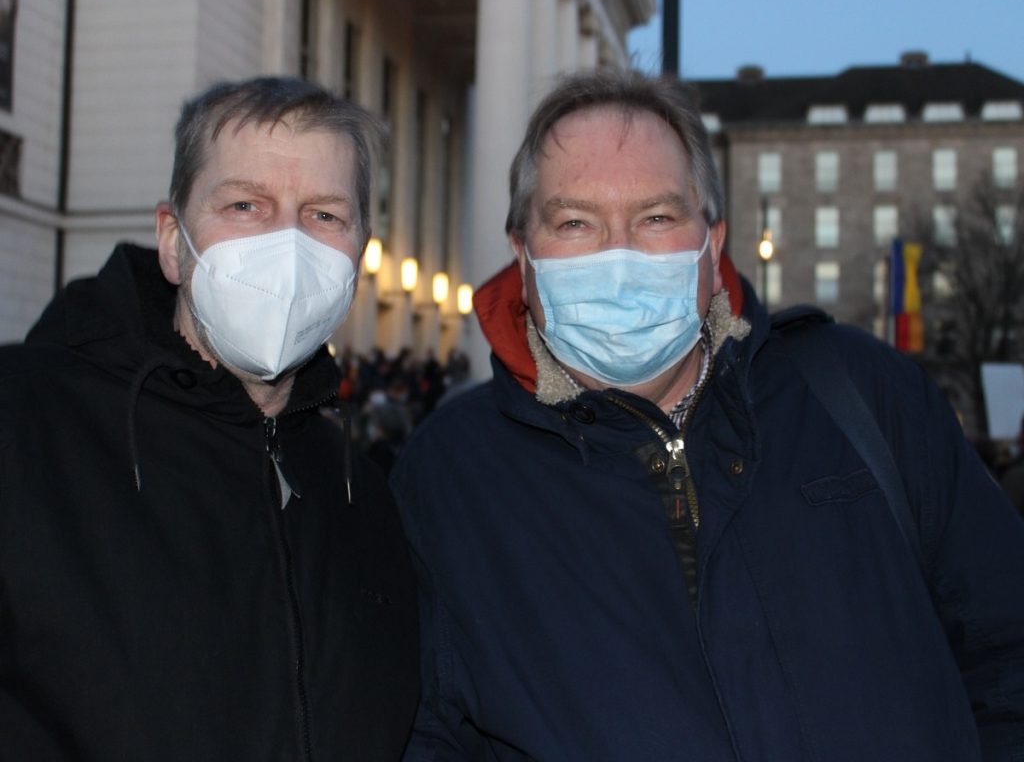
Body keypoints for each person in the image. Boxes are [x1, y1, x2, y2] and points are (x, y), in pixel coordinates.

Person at [391, 68, 1024, 761]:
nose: (620, 254)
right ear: (523, 251)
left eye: (656, 217)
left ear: (712, 241)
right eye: (575, 222)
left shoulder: (863, 396)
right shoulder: (450, 478)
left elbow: (1007, 650)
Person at [0, 76, 418, 760]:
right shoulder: (24, 426)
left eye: (324, 216)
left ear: (359, 256)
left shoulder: (362, 496)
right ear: (172, 240)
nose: (286, 245)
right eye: (245, 205)